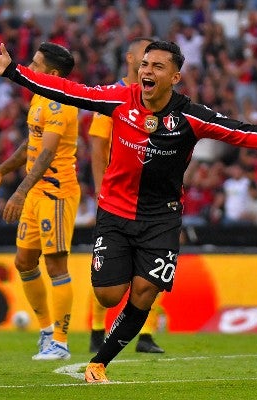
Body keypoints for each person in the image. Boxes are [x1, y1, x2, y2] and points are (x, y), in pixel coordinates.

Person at [0, 40, 257, 383]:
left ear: (173, 77)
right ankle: (115, 286)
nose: (146, 71)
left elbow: (240, 132)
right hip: (115, 212)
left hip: (161, 217)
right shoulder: (120, 98)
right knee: (107, 295)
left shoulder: (191, 116)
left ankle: (99, 362)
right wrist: (13, 71)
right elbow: (72, 91)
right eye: (144, 64)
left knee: (145, 292)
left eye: (157, 66)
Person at [0, 42, 78, 361]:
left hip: (56, 192)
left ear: (52, 74)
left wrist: (20, 190)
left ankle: (61, 343)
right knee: (24, 261)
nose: (30, 68)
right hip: (36, 192)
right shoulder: (39, 95)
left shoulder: (61, 103)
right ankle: (46, 332)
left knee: (55, 265)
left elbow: (48, 153)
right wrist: (1, 170)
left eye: (36, 64)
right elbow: (32, 144)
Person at [87, 37, 165, 355]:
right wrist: (99, 190)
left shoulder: (159, 100)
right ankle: (96, 328)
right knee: (109, 267)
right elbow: (96, 147)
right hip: (116, 198)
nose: (150, 61)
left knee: (153, 267)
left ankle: (145, 333)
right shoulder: (113, 97)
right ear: (131, 57)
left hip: (151, 200)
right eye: (145, 56)